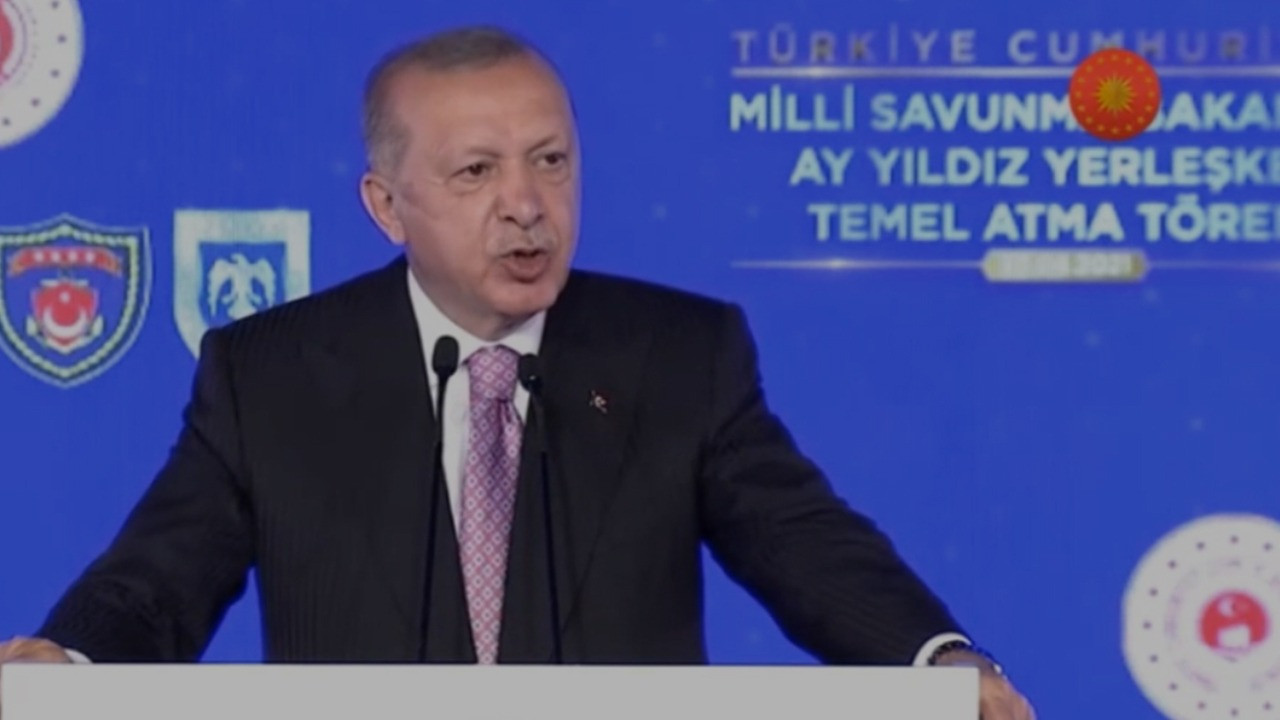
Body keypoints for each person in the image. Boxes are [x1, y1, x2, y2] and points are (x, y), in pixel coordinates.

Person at [0, 26, 1034, 719]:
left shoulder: (677, 355)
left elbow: (802, 542)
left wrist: (934, 662)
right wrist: (66, 662)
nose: (527, 204)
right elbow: (158, 578)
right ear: (386, 206)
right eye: (476, 171)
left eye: (551, 160)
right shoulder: (271, 375)